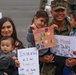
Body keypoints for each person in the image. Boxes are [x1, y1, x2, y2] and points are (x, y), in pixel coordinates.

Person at [39, 1, 71, 75]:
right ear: (51, 12)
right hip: (49, 68)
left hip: (69, 67)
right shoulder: (45, 27)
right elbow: (35, 47)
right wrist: (41, 59)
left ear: (66, 11)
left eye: (62, 10)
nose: (60, 13)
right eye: (57, 11)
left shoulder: (71, 27)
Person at [26, 10, 57, 74]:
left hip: (45, 52)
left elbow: (48, 36)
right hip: (35, 55)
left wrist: (51, 29)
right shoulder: (31, 29)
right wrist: (31, 31)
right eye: (41, 21)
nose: (42, 23)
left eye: (45, 22)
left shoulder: (44, 29)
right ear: (35, 18)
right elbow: (29, 39)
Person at [63, 10, 76, 75]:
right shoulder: (73, 30)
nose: (70, 22)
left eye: (71, 20)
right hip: (70, 56)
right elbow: (67, 18)